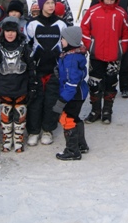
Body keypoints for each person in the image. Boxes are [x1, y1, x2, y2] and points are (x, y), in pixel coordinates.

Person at [82, 0, 128, 124]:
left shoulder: (121, 13)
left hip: (114, 56)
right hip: (96, 54)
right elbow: (84, 28)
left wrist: (121, 48)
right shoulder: (93, 11)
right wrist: (90, 45)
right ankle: (95, 110)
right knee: (94, 83)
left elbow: (126, 33)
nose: (109, 1)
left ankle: (107, 110)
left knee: (111, 83)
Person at [0, 17, 37, 153]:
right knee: (5, 117)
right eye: (7, 31)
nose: (10, 34)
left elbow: (31, 69)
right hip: (4, 89)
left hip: (21, 88)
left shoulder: (24, 48)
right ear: (2, 32)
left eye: (13, 31)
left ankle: (18, 140)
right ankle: (6, 139)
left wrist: (32, 87)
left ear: (17, 32)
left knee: (20, 117)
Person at [26, 0, 66, 144]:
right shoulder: (32, 24)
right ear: (41, 5)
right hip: (37, 69)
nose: (50, 6)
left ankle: (48, 130)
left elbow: (66, 47)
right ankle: (33, 131)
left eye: (52, 3)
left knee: (51, 101)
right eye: (47, 3)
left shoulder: (61, 24)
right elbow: (28, 47)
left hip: (54, 70)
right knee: (35, 101)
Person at [91, 0, 128, 98]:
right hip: (105, 29)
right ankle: (106, 84)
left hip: (122, 30)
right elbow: (93, 9)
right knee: (105, 58)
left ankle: (125, 86)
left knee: (124, 58)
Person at [52, 26, 90, 160]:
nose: (61, 41)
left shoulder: (71, 59)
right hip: (79, 94)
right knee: (75, 118)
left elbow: (72, 82)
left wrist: (62, 100)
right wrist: (60, 71)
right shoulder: (72, 55)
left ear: (69, 41)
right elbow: (81, 73)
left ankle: (72, 151)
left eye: (63, 39)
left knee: (67, 119)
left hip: (73, 96)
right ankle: (81, 145)